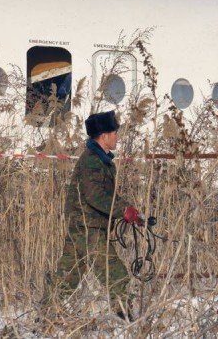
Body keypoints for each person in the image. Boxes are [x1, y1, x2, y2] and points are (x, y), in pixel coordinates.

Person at [50, 110, 141, 318]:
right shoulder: (92, 161)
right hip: (87, 226)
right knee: (114, 272)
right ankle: (125, 316)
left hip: (83, 225)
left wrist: (130, 210)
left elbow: (107, 195)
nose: (117, 136)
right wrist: (122, 210)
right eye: (114, 133)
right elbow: (95, 196)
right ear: (104, 136)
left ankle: (46, 314)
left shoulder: (101, 160)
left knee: (69, 275)